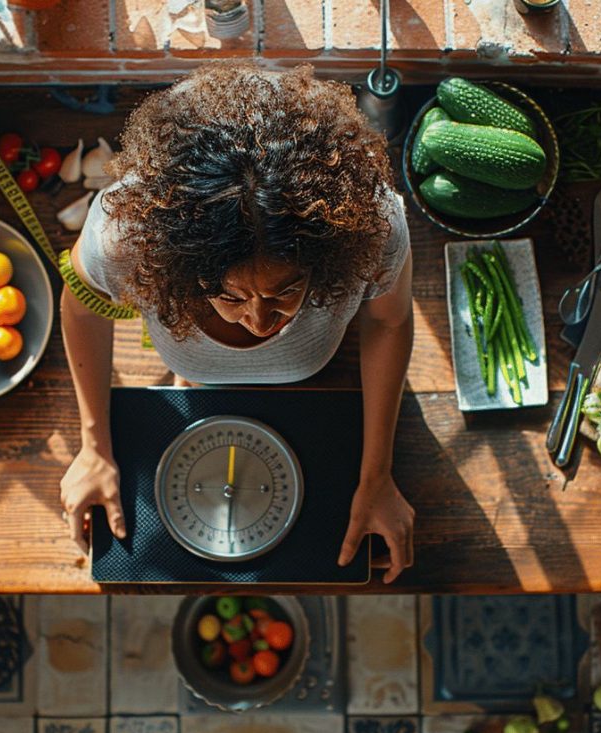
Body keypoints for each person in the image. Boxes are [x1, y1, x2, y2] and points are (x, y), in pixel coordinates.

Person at [58, 63, 415, 583]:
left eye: (286, 291)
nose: (257, 319)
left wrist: (378, 475)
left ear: (330, 260)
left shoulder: (374, 227)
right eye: (229, 295)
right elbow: (82, 301)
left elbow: (387, 323)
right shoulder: (125, 234)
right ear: (179, 263)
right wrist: (93, 444)